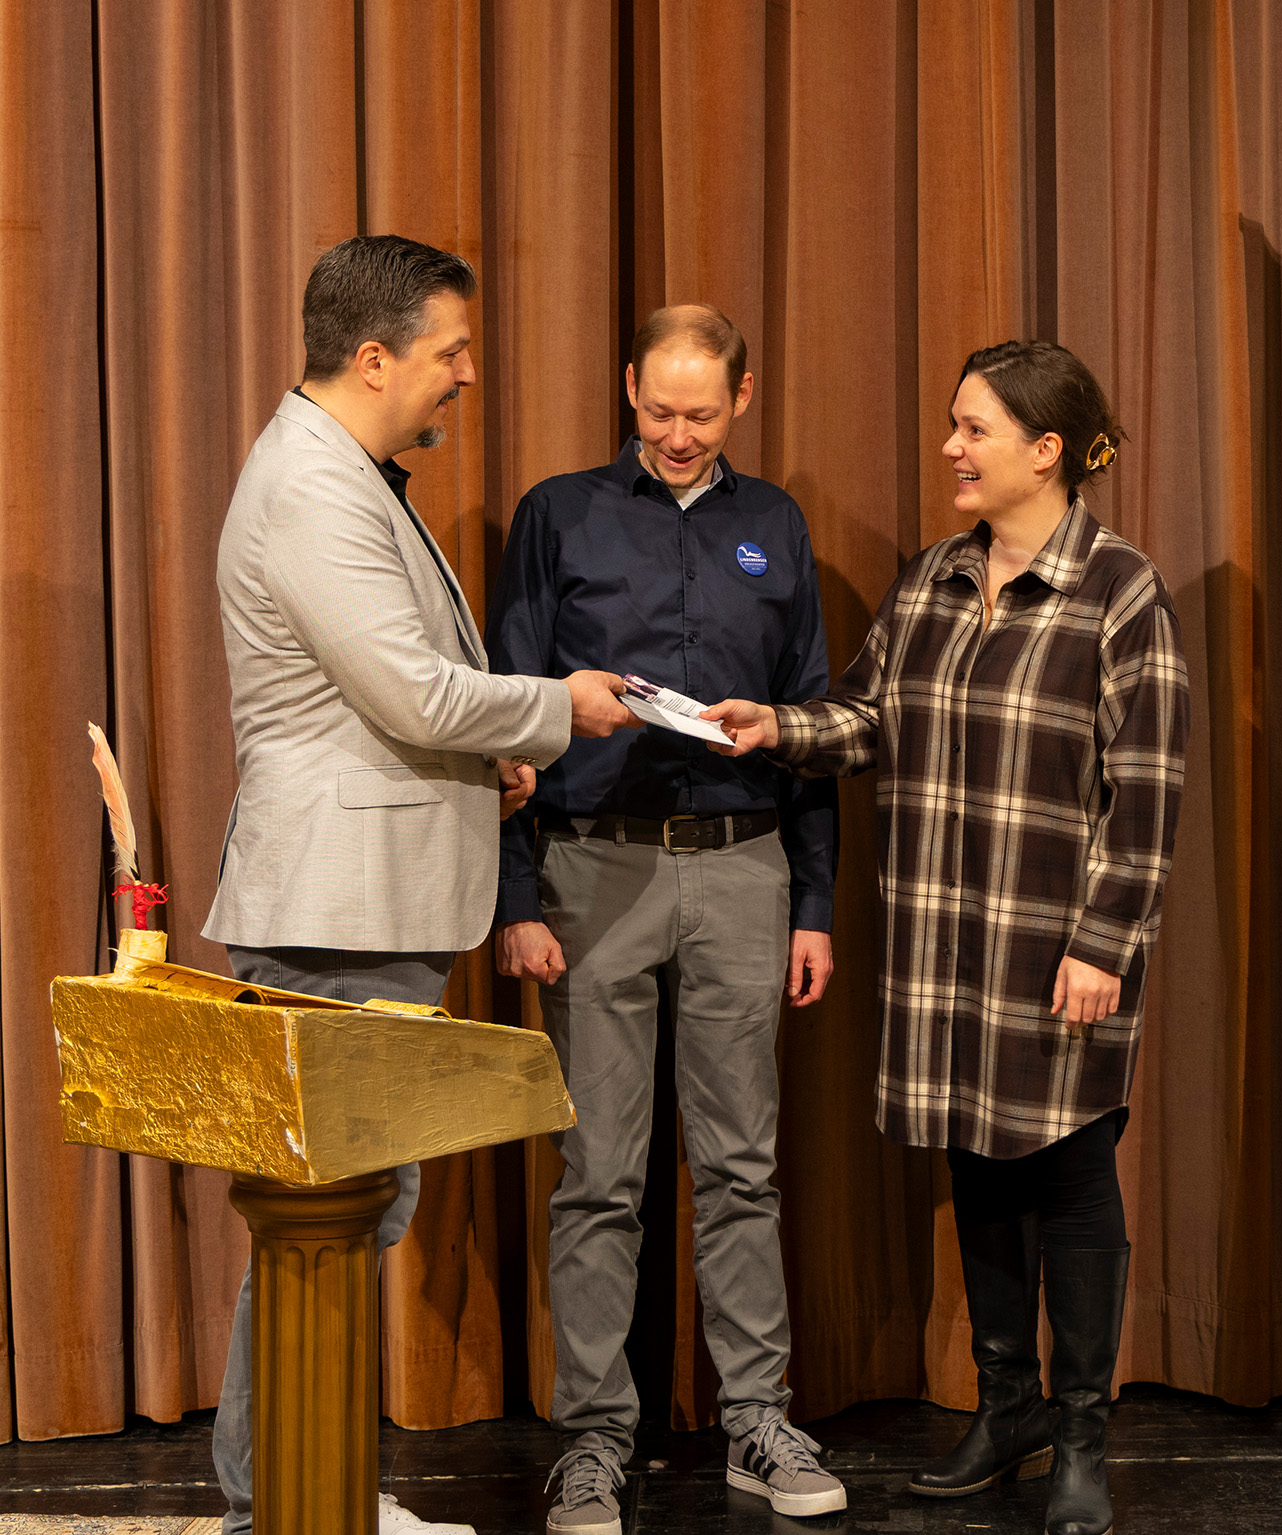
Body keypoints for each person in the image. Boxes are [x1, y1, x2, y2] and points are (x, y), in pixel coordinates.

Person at [705, 341, 1190, 1535]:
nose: (949, 449)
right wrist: (776, 725)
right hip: (942, 941)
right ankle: (1008, 1405)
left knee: (1069, 1176)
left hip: (1055, 947)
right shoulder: (930, 581)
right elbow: (868, 717)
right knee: (975, 1164)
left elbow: (1149, 788)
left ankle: (1080, 1430)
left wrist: (1103, 942)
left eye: (973, 429)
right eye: (950, 425)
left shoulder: (1118, 591)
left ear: (1045, 450)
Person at [202, 234, 639, 1535]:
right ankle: (278, 1502)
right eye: (450, 352)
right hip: (330, 904)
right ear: (375, 353)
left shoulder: (346, 471)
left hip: (365, 890)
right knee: (318, 1218)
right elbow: (408, 688)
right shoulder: (311, 486)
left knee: (348, 1213)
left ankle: (304, 1485)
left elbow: (376, 701)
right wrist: (553, 709)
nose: (464, 375)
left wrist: (481, 763)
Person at [486, 304, 844, 1529]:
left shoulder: (774, 525)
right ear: (628, 385)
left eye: (700, 413)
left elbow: (810, 722)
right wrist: (515, 896)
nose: (676, 434)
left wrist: (813, 902)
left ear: (742, 398)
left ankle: (754, 1415)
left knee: (741, 1163)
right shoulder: (557, 513)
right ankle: (594, 1435)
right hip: (593, 874)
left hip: (743, 871)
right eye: (656, 409)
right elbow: (510, 714)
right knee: (597, 1173)